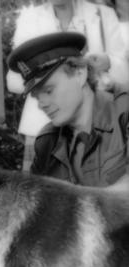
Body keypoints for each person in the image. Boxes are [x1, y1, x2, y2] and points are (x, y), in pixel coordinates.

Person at [8, 32, 129, 186]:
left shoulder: (124, 112)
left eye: (49, 91)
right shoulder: (46, 143)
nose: (41, 104)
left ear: (79, 73)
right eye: (37, 97)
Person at [7, 0, 129, 139]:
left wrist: (108, 62)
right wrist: (50, 76)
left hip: (98, 123)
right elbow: (13, 81)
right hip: (44, 130)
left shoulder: (103, 14)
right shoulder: (30, 19)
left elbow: (125, 75)